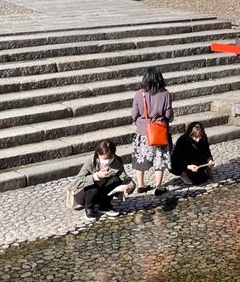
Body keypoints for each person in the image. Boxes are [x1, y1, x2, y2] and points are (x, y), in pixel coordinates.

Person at [131, 67, 174, 195]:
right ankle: (159, 186)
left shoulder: (139, 94)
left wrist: (139, 122)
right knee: (159, 159)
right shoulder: (166, 94)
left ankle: (141, 185)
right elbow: (169, 115)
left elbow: (134, 114)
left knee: (140, 158)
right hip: (159, 132)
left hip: (142, 131)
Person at [72, 138, 134, 221]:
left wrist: (130, 186)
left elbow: (125, 177)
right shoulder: (91, 162)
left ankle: (104, 205)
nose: (108, 161)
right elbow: (77, 181)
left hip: (104, 190)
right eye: (105, 158)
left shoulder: (116, 162)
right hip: (87, 193)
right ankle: (89, 209)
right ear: (98, 154)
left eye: (110, 157)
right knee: (94, 188)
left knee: (116, 180)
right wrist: (96, 176)